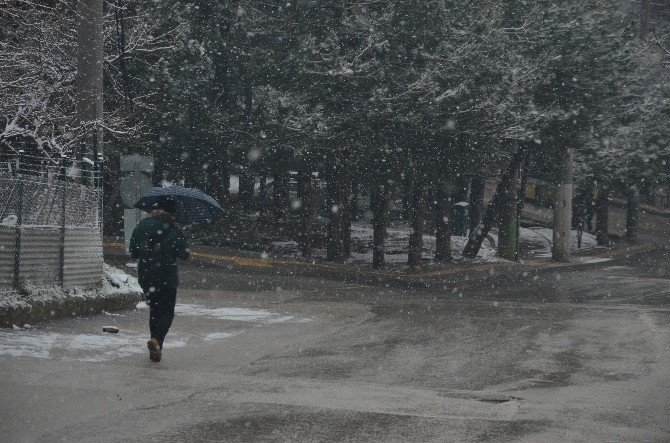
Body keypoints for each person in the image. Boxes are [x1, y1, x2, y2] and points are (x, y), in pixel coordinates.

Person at [129, 197, 189, 362]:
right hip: (167, 277)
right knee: (166, 312)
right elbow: (185, 254)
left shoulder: (142, 225)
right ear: (172, 211)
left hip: (147, 276)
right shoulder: (173, 229)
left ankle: (156, 349)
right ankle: (157, 340)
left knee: (155, 311)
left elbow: (133, 251)